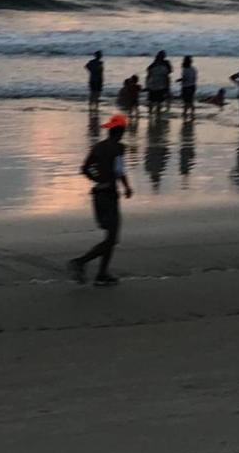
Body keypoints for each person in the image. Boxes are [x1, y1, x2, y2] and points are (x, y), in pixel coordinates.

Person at [69, 113, 133, 286]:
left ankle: (102, 274)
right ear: (121, 132)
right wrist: (127, 187)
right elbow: (119, 171)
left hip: (97, 195)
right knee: (112, 239)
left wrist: (97, 179)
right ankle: (80, 263)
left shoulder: (97, 147)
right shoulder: (119, 148)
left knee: (109, 237)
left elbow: (85, 168)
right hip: (110, 196)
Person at [145, 51, 172, 116]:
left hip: (153, 84)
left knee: (151, 101)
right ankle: (158, 114)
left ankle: (150, 114)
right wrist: (168, 88)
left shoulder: (153, 65)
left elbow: (148, 72)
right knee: (159, 101)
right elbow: (168, 73)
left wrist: (147, 85)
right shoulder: (165, 64)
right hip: (161, 85)